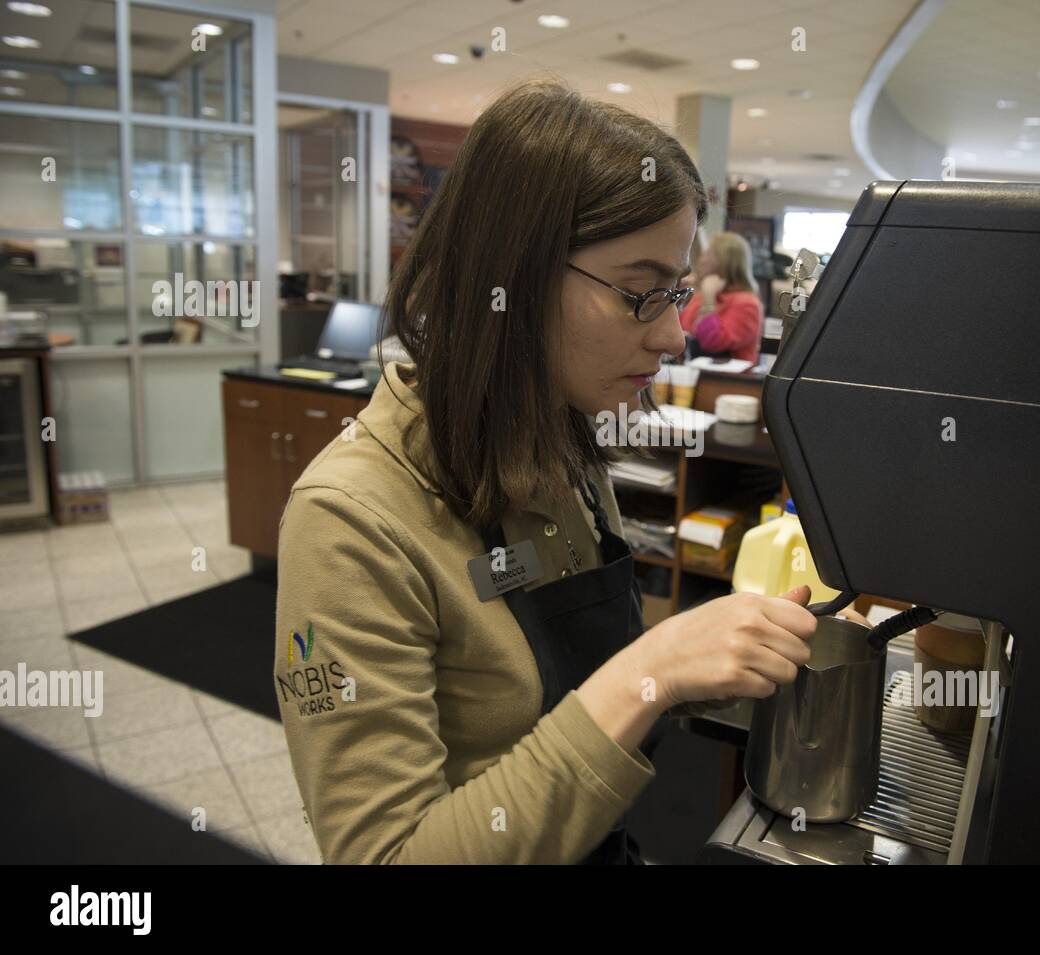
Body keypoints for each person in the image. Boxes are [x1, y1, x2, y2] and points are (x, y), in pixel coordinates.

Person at [272, 78, 818, 865]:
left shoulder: (561, 441)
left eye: (675, 292)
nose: (674, 337)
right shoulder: (351, 521)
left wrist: (700, 663)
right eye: (641, 293)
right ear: (512, 279)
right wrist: (648, 671)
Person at [677, 231, 764, 363]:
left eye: (709, 254)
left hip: (725, 375)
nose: (702, 260)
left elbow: (712, 343)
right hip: (689, 370)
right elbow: (679, 336)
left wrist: (708, 301)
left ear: (726, 262)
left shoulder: (747, 304)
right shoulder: (699, 295)